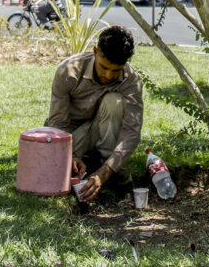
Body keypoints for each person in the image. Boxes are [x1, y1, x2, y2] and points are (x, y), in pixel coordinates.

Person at [44, 26, 142, 204]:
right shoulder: (69, 71)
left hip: (101, 134)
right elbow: (57, 123)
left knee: (114, 102)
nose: (108, 75)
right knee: (53, 173)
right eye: (104, 67)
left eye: (115, 71)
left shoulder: (130, 81)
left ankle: (104, 169)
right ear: (95, 51)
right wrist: (71, 156)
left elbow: (131, 132)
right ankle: (85, 167)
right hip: (70, 137)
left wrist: (104, 172)